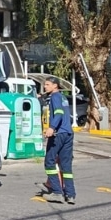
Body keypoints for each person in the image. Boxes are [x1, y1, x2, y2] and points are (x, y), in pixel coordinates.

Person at [36, 76, 76, 204]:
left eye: (47, 84)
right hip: (68, 133)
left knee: (49, 162)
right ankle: (70, 194)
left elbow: (58, 113)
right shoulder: (62, 97)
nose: (45, 86)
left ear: (55, 86)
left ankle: (57, 192)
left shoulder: (55, 97)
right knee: (66, 165)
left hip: (58, 134)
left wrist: (52, 128)